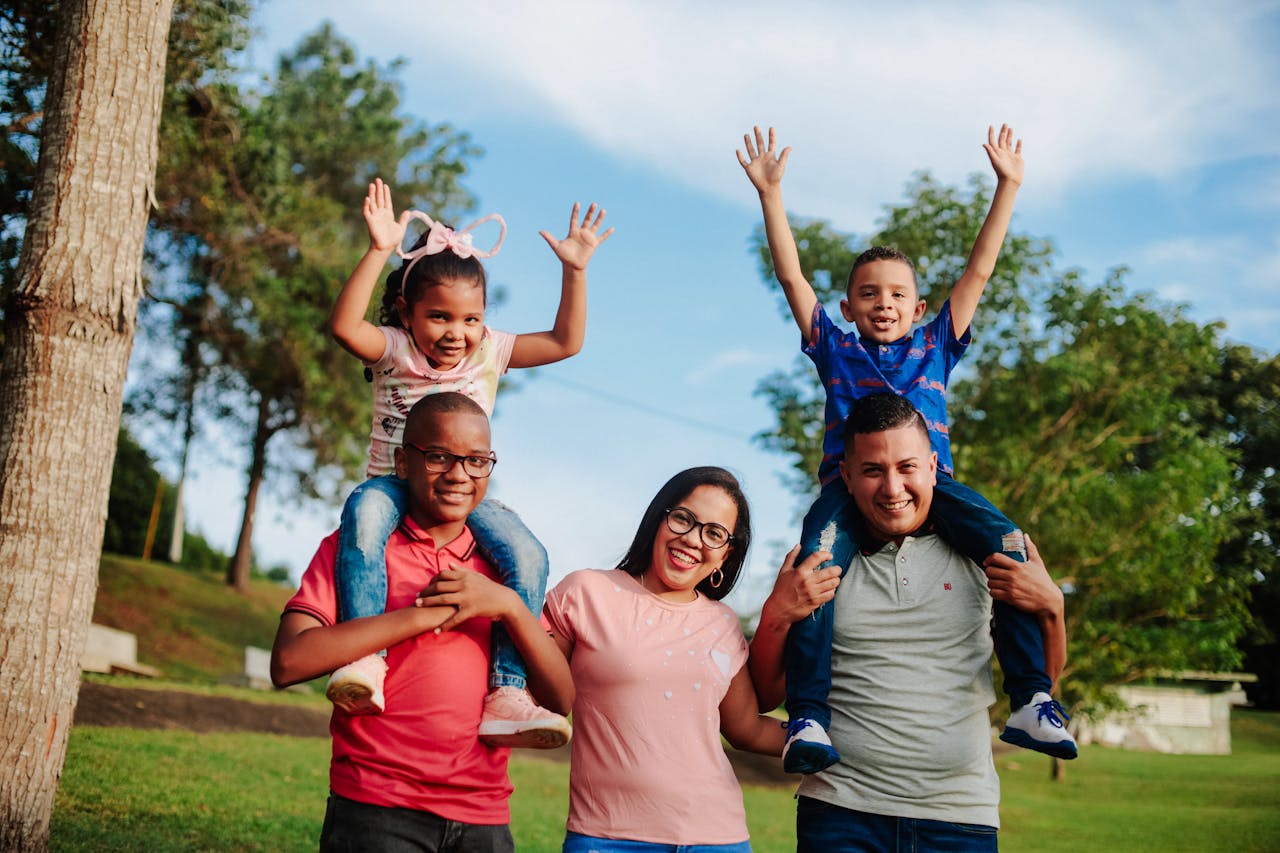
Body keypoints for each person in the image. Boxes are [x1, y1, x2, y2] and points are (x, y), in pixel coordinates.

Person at [737, 124, 1076, 772]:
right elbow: (792, 277)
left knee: (1010, 545)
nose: (883, 303)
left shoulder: (937, 344)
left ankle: (1033, 697)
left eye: (896, 294)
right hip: (848, 492)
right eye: (868, 293)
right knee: (814, 567)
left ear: (919, 308)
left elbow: (979, 270)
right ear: (848, 306)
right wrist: (771, 196)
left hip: (934, 488)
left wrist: (1007, 186)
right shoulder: (836, 348)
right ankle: (808, 715)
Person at [324, 178, 610, 747]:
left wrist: (574, 270)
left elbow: (564, 342)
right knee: (363, 518)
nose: (457, 333)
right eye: (440, 317)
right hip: (393, 486)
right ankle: (365, 658)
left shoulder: (489, 352)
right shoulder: (394, 347)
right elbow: (344, 328)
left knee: (527, 553)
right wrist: (379, 249)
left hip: (462, 496)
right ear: (406, 312)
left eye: (471, 319)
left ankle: (507, 692)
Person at [749, 393, 1068, 851]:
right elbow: (766, 695)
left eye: (907, 468)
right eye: (873, 470)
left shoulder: (984, 556)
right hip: (840, 811)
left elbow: (1043, 681)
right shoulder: (820, 566)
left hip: (961, 815)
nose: (892, 488)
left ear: (933, 467)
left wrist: (1053, 608)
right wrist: (776, 615)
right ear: (847, 476)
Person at [270, 393, 575, 853]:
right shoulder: (358, 549)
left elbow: (560, 699)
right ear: (403, 462)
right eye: (438, 457)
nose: (458, 474)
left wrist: (511, 607)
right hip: (375, 809)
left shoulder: (507, 572)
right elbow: (289, 663)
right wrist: (423, 615)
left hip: (483, 817)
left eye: (476, 461)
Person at [542, 467, 786, 852]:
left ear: (726, 554)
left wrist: (842, 740)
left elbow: (748, 730)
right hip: (606, 837)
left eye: (714, 533)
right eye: (683, 518)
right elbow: (539, 695)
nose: (692, 539)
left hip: (718, 838)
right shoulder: (586, 592)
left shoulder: (723, 624)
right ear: (659, 518)